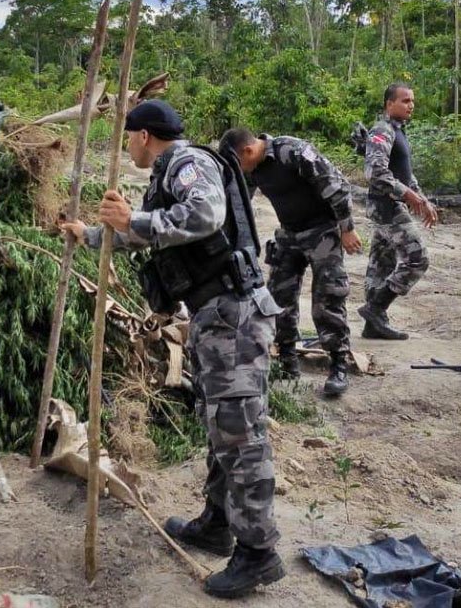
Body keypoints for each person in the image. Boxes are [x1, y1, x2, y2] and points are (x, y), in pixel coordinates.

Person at [59, 99, 284, 599]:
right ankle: (217, 522)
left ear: (142, 135)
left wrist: (133, 220)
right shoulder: (168, 173)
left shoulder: (188, 164)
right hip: (215, 317)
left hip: (234, 317)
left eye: (127, 138)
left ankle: (258, 553)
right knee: (221, 426)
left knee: (241, 435)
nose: (127, 147)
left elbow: (204, 215)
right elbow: (154, 234)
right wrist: (93, 234)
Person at [218, 127, 362, 397]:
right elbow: (240, 206)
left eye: (238, 163)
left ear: (248, 151)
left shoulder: (292, 151)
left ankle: (338, 365)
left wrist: (347, 228)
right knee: (279, 297)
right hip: (289, 232)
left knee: (327, 299)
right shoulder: (250, 170)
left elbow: (335, 187)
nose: (239, 171)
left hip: (323, 231)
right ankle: (287, 361)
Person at [358, 82, 437, 340]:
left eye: (412, 100)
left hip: (390, 205)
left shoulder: (397, 131)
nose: (410, 105)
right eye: (404, 100)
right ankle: (375, 308)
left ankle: (373, 326)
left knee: (381, 265)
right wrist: (408, 195)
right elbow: (376, 173)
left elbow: (404, 173)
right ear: (389, 104)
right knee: (417, 258)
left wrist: (421, 198)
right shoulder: (381, 130)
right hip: (385, 207)